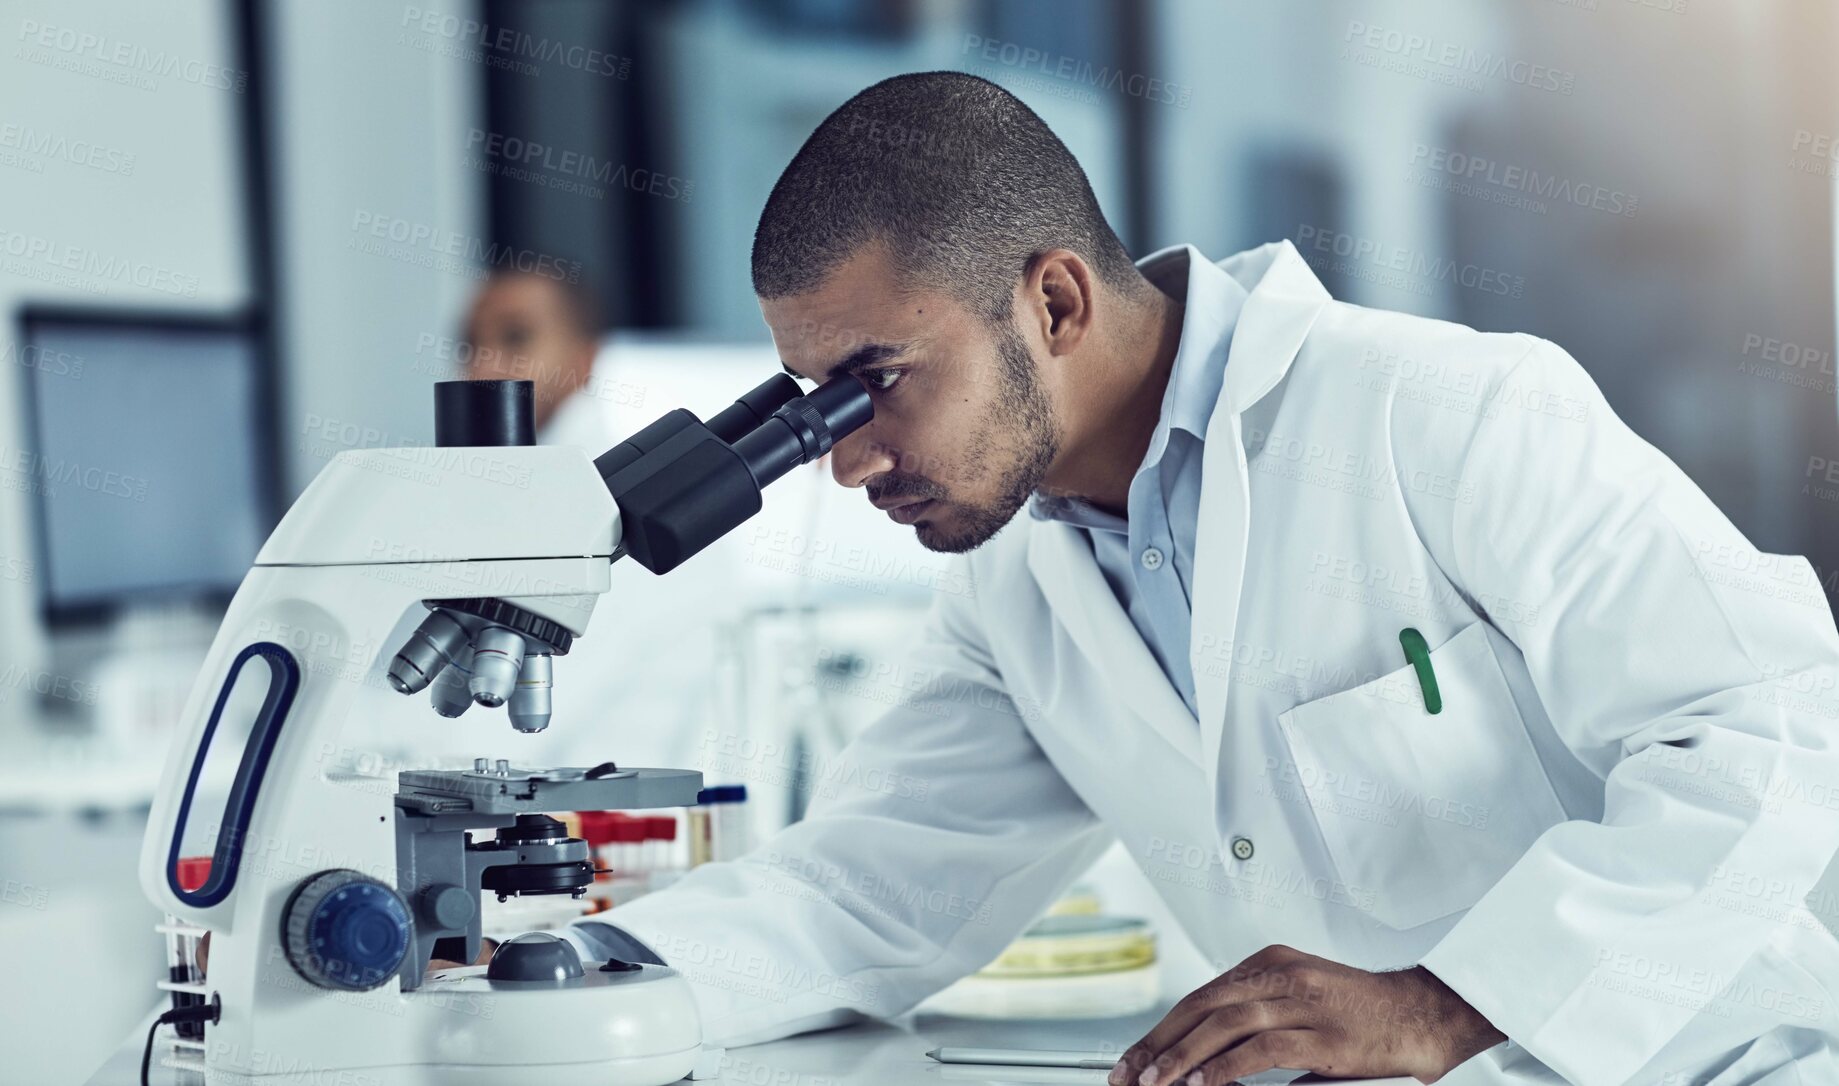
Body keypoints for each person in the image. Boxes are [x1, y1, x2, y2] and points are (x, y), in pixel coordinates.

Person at [541, 72, 1839, 1085]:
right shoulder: (1016, 588)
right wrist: (566, 970)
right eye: (816, 407)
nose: (847, 460)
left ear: (1053, 303)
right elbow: (863, 890)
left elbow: (1771, 718)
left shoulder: (1443, 412)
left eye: (875, 385)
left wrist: (1450, 1001)